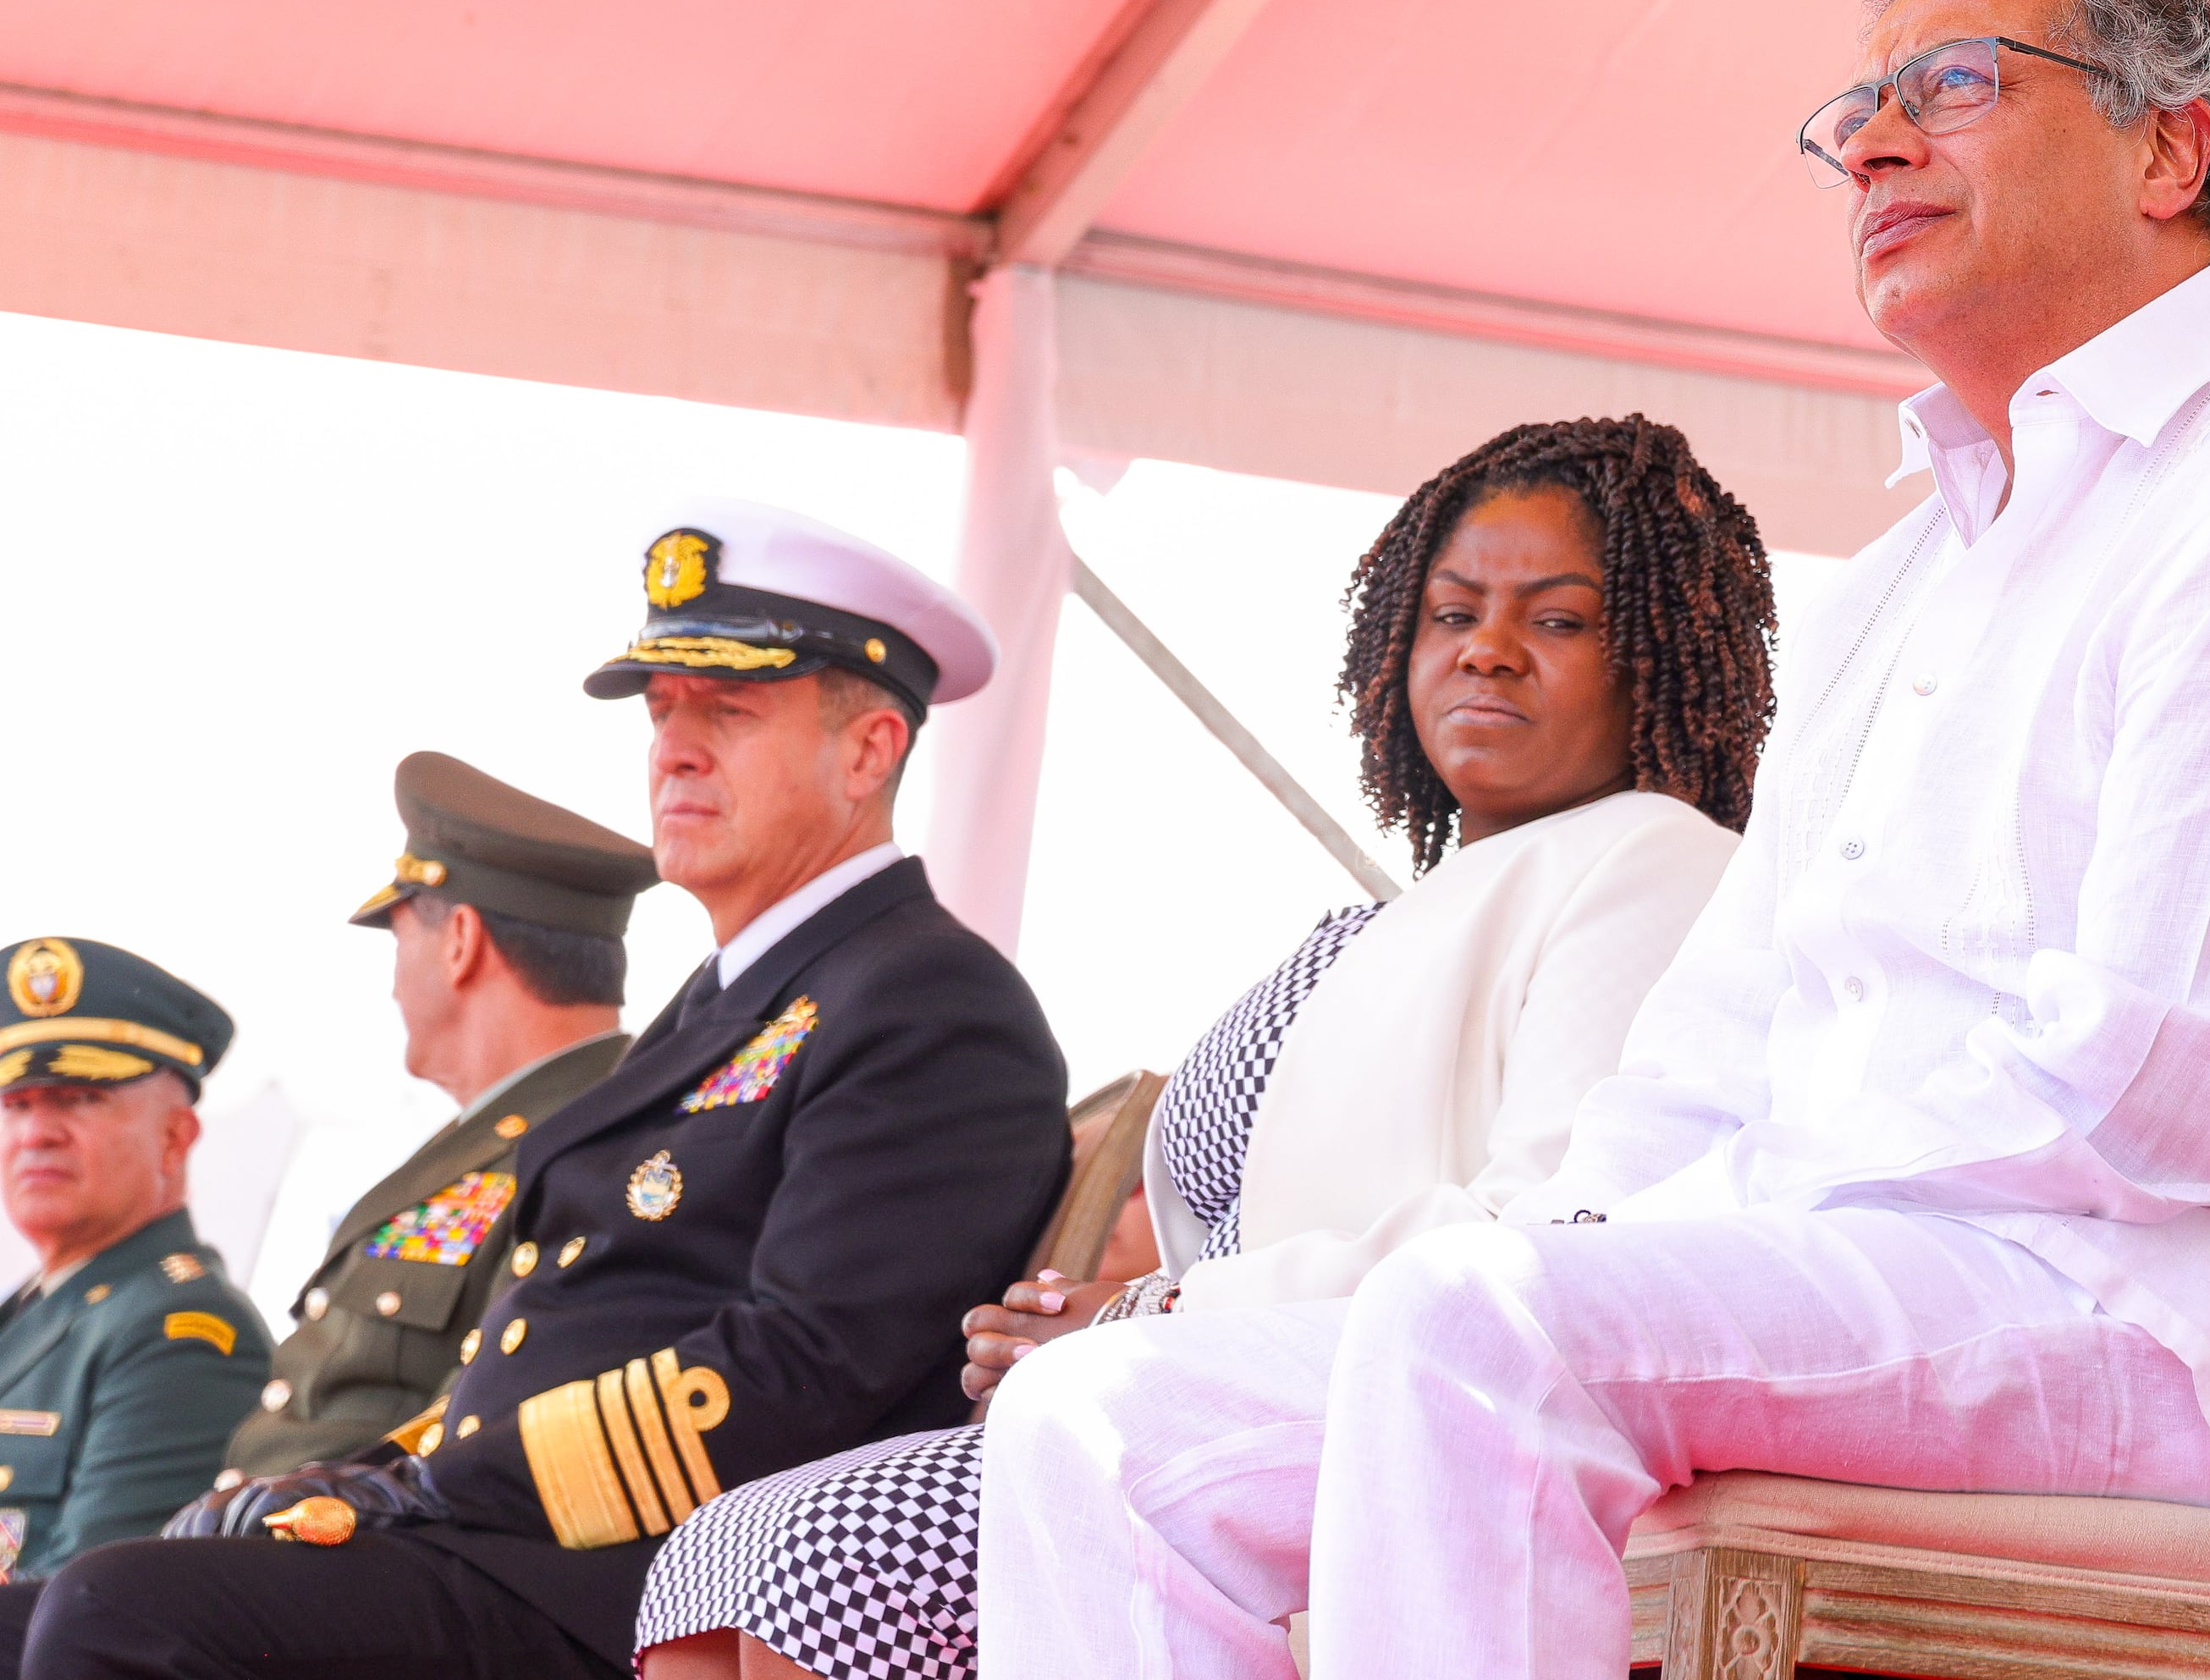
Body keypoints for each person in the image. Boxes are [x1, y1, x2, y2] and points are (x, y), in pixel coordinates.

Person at [973, 0, 2210, 1680]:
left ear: (2169, 146)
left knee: (1486, 1326)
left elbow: (2176, 1091)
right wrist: (1617, 1222)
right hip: (1875, 1270)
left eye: (1952, 83)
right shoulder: (1903, 577)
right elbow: (1703, 1054)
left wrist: (1721, 1212)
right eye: (1856, 111)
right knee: (1099, 1421)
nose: (1872, 140)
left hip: (2136, 1307)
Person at [633, 414, 1773, 1680]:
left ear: (1663, 654)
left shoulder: (1656, 858)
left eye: (1556, 619)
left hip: (1402, 1415)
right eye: (1452, 614)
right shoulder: (1395, 913)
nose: (1487, 650)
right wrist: (1098, 1316)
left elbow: (1553, 1231)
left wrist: (1149, 1315)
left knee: (822, 1548)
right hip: (1230, 1378)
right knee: (712, 1554)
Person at [25, 503, 1073, 1680]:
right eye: (663, 709)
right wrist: (376, 1472)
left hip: (655, 1585)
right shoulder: (739, 993)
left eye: (727, 710)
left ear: (870, 748)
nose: (673, 747)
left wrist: (437, 1484)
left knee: (124, 1612)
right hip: (528, 1544)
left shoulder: (928, 999)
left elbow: (811, 1366)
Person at [221, 756, 661, 1482]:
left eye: (400, 939)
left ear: (460, 940)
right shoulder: (495, 1137)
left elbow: (475, 1432)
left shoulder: (599, 1140)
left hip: (359, 1554)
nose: (393, 983)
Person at [0, 944, 267, 1611]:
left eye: (79, 1097)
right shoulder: (37, 1308)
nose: (37, 1132)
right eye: (16, 1103)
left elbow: (94, 1601)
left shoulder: (183, 1328)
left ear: (175, 1139)